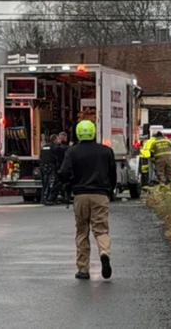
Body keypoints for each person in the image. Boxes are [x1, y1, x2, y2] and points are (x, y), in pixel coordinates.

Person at [57, 120, 116, 280]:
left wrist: (64, 182)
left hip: (80, 195)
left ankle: (83, 269)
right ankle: (104, 252)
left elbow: (64, 173)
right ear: (94, 132)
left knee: (82, 231)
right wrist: (110, 191)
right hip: (101, 194)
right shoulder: (106, 151)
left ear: (77, 133)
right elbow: (112, 174)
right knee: (101, 229)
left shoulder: (72, 151)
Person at [40, 134, 59, 205]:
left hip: (43, 166)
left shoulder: (44, 147)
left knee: (44, 183)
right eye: (57, 139)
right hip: (50, 166)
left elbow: (40, 156)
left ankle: (43, 199)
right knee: (50, 183)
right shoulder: (54, 147)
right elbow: (57, 157)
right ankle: (47, 198)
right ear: (55, 140)